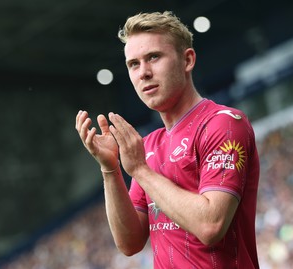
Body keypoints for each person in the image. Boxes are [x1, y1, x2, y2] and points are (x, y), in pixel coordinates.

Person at [75, 11, 260, 268]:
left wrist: (139, 169)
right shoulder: (149, 145)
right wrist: (110, 169)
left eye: (153, 57)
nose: (143, 73)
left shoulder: (224, 123)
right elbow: (129, 243)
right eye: (133, 64)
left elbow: (210, 225)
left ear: (187, 60)